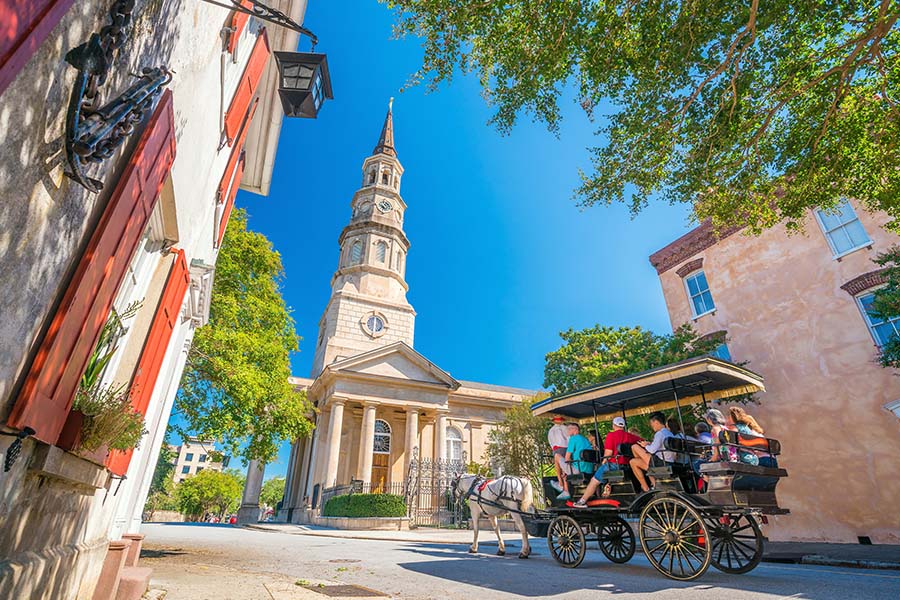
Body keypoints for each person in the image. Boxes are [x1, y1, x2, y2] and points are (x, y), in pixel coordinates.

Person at [572, 416, 642, 507]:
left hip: (614, 464)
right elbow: (642, 442)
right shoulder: (630, 436)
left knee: (594, 480)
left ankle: (582, 500)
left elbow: (608, 454)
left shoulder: (611, 436)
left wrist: (604, 461)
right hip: (627, 465)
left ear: (614, 426)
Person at [630, 412, 675, 493]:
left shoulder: (659, 433)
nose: (651, 426)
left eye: (652, 423)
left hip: (660, 462)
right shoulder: (669, 433)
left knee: (634, 447)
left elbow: (651, 450)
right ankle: (653, 485)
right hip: (669, 461)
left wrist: (644, 445)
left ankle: (645, 487)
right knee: (633, 462)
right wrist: (649, 444)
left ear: (656, 422)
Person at [557, 423, 594, 500]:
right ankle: (565, 485)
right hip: (589, 470)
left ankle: (560, 484)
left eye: (569, 429)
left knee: (557, 456)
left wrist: (564, 471)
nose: (567, 431)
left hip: (578, 470)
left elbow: (567, 458)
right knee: (567, 466)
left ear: (575, 430)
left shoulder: (573, 439)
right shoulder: (585, 440)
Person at [547, 415, 571, 495]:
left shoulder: (551, 430)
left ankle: (561, 483)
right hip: (564, 448)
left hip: (555, 449)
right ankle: (565, 485)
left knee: (558, 468)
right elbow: (568, 439)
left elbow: (550, 442)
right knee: (564, 467)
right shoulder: (564, 428)